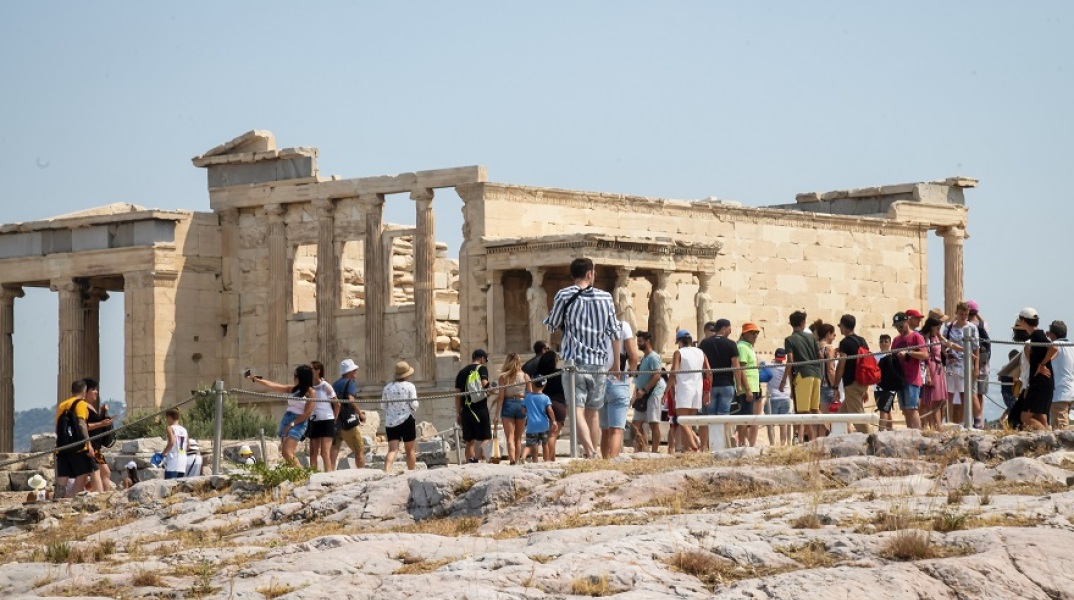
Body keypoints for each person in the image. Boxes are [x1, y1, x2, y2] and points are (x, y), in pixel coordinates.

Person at [542, 257, 621, 458]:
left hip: (574, 362)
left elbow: (551, 325)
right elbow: (614, 332)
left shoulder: (564, 295)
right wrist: (617, 365)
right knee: (593, 411)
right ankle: (591, 455)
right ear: (589, 273)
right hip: (599, 362)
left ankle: (590, 451)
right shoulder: (606, 298)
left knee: (576, 410)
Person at [247, 365, 316, 466]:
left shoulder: (311, 392)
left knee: (287, 452)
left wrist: (291, 425)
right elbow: (272, 385)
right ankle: (298, 474)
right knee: (285, 452)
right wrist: (255, 379)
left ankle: (302, 475)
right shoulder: (293, 389)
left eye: (296, 375)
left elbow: (307, 413)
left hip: (298, 422)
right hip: (287, 418)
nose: (294, 377)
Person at [698, 319, 739, 449]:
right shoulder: (731, 344)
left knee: (711, 417)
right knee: (723, 416)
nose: (730, 331)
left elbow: (702, 364)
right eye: (729, 329)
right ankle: (720, 446)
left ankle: (713, 446)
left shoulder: (705, 343)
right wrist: (739, 385)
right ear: (724, 329)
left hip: (710, 385)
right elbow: (736, 366)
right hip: (727, 384)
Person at [782, 311, 822, 442]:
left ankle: (811, 441)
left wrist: (783, 382)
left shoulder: (789, 339)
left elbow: (790, 360)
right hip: (817, 374)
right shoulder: (811, 338)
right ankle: (830, 430)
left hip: (803, 375)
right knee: (815, 409)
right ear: (802, 323)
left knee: (803, 412)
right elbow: (820, 357)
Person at [667, 329, 709, 452]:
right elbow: (708, 371)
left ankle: (695, 446)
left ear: (679, 342)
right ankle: (687, 449)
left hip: (684, 389)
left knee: (682, 421)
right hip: (697, 389)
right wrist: (707, 391)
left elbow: (673, 371)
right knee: (688, 422)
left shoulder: (678, 352)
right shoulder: (700, 352)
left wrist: (667, 390)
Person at [601, 319, 638, 459]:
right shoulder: (623, 325)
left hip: (599, 380)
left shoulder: (596, 325)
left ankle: (604, 461)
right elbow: (633, 355)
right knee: (616, 430)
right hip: (617, 379)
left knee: (604, 430)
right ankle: (612, 461)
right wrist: (631, 373)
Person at [54, 379, 95, 498]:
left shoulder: (62, 405)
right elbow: (81, 423)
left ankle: (58, 499)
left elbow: (57, 426)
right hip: (77, 446)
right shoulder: (80, 403)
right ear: (84, 391)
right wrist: (88, 444)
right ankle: (72, 497)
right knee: (84, 472)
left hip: (63, 445)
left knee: (62, 477)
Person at [833, 314, 871, 434]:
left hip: (852, 383)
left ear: (844, 327)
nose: (840, 329)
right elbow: (867, 363)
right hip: (862, 381)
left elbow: (841, 366)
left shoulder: (844, 343)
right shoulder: (862, 341)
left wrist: (835, 386)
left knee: (858, 417)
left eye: (841, 326)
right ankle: (835, 440)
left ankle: (872, 442)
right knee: (840, 417)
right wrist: (866, 388)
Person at [944, 302, 980, 427]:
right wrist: (947, 354)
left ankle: (965, 422)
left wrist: (976, 367)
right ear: (956, 313)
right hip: (951, 365)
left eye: (966, 314)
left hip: (965, 364)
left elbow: (976, 348)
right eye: (961, 314)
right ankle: (950, 421)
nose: (963, 316)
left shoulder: (972, 328)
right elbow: (943, 344)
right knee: (950, 394)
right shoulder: (949, 327)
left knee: (965, 394)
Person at [891, 313, 928, 430]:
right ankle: (909, 431)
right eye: (897, 327)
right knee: (905, 410)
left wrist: (909, 353)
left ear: (907, 322)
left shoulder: (916, 337)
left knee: (912, 408)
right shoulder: (896, 340)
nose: (899, 329)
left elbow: (925, 355)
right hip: (899, 378)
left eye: (901, 326)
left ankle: (916, 432)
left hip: (912, 378)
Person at [631, 331, 665, 453]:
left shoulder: (654, 357)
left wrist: (645, 390)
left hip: (653, 393)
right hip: (642, 395)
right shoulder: (644, 358)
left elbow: (657, 375)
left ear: (647, 341)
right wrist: (634, 395)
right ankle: (642, 449)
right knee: (636, 424)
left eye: (640, 341)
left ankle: (655, 451)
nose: (638, 344)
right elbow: (639, 379)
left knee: (653, 423)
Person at [455, 349, 492, 463]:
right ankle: (476, 459)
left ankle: (469, 465)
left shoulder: (461, 372)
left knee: (470, 441)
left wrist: (459, 412)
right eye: (485, 360)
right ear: (481, 358)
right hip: (480, 408)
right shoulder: (482, 368)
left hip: (466, 410)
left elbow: (457, 395)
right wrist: (492, 390)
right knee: (486, 438)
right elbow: (485, 384)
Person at [382, 361, 419, 471]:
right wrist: (414, 408)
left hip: (391, 422)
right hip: (406, 419)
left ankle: (386, 471)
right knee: (410, 450)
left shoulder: (387, 387)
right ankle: (411, 472)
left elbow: (383, 406)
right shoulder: (410, 386)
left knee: (392, 450)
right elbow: (414, 403)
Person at [496, 353, 530, 465]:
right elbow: (529, 395)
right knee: (518, 438)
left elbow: (500, 397)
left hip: (508, 404)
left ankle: (512, 461)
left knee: (509, 437)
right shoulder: (525, 376)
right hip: (521, 404)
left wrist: (496, 414)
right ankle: (517, 461)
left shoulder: (503, 377)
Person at [332, 358, 366, 469]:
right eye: (354, 370)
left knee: (334, 450)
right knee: (359, 449)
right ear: (349, 372)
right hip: (348, 422)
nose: (356, 372)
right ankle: (362, 474)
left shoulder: (335, 384)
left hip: (336, 421)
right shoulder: (350, 383)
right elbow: (351, 400)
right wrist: (360, 414)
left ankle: (329, 472)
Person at [920, 317, 954, 430]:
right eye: (937, 327)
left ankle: (937, 424)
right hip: (932, 368)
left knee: (940, 400)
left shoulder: (936, 337)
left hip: (939, 368)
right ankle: (931, 426)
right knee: (931, 399)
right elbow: (926, 357)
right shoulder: (926, 339)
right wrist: (928, 374)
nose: (939, 329)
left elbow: (948, 345)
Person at [304, 361, 338, 472]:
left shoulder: (325, 386)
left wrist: (334, 419)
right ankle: (313, 474)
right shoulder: (309, 386)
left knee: (324, 452)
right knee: (313, 452)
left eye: (311, 369)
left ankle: (329, 474)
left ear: (318, 370)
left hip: (327, 419)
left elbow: (337, 403)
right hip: (314, 420)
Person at [82, 378, 114, 492]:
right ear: (86, 391)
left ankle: (105, 495)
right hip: (90, 447)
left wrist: (103, 413)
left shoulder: (91, 406)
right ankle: (103, 496)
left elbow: (95, 423)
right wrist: (101, 423)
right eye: (93, 389)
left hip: (96, 448)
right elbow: (83, 426)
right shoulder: (83, 406)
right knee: (99, 473)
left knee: (105, 472)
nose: (96, 392)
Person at [735, 323, 763, 446]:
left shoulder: (748, 347)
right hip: (748, 388)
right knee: (744, 418)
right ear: (744, 334)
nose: (755, 335)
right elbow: (741, 369)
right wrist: (747, 389)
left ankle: (742, 442)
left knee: (748, 418)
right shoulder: (742, 347)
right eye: (752, 333)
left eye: (756, 333)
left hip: (753, 386)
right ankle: (741, 443)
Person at [537, 350, 565, 461]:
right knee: (553, 436)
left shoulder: (540, 374)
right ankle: (548, 460)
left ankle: (552, 459)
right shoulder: (560, 373)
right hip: (558, 404)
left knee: (548, 435)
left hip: (544, 404)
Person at [521, 378, 557, 462]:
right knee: (545, 444)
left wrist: (529, 411)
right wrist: (554, 421)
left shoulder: (528, 397)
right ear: (544, 386)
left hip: (532, 425)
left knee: (530, 445)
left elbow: (523, 410)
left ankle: (525, 458)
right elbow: (550, 411)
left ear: (532, 385)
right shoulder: (545, 398)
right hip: (543, 425)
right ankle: (546, 460)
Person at [812, 320, 837, 432]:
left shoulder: (814, 347)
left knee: (818, 420)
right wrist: (836, 387)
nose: (834, 337)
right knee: (826, 419)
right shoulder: (828, 348)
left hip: (815, 385)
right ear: (828, 334)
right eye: (833, 334)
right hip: (827, 386)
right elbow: (830, 369)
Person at [1049, 320, 1073, 430]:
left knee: (1060, 427)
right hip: (1071, 389)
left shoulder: (1054, 346)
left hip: (1059, 391)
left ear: (1053, 334)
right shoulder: (1072, 346)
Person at [766, 349, 792, 446]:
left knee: (770, 423)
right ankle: (782, 444)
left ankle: (772, 444)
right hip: (785, 397)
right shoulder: (786, 367)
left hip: (773, 398)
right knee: (783, 424)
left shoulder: (769, 366)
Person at [874, 335, 898, 431]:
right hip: (877, 387)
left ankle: (881, 432)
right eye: (882, 341)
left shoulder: (893, 356)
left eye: (886, 341)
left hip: (889, 387)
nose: (883, 343)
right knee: (885, 409)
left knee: (884, 410)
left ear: (890, 343)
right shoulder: (874, 355)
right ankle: (890, 431)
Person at [161, 408, 189, 480]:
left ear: (170, 417)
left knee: (169, 486)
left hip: (173, 461)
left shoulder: (170, 428)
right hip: (183, 461)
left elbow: (172, 442)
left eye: (167, 418)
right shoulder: (184, 430)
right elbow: (188, 446)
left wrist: (163, 453)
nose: (166, 420)